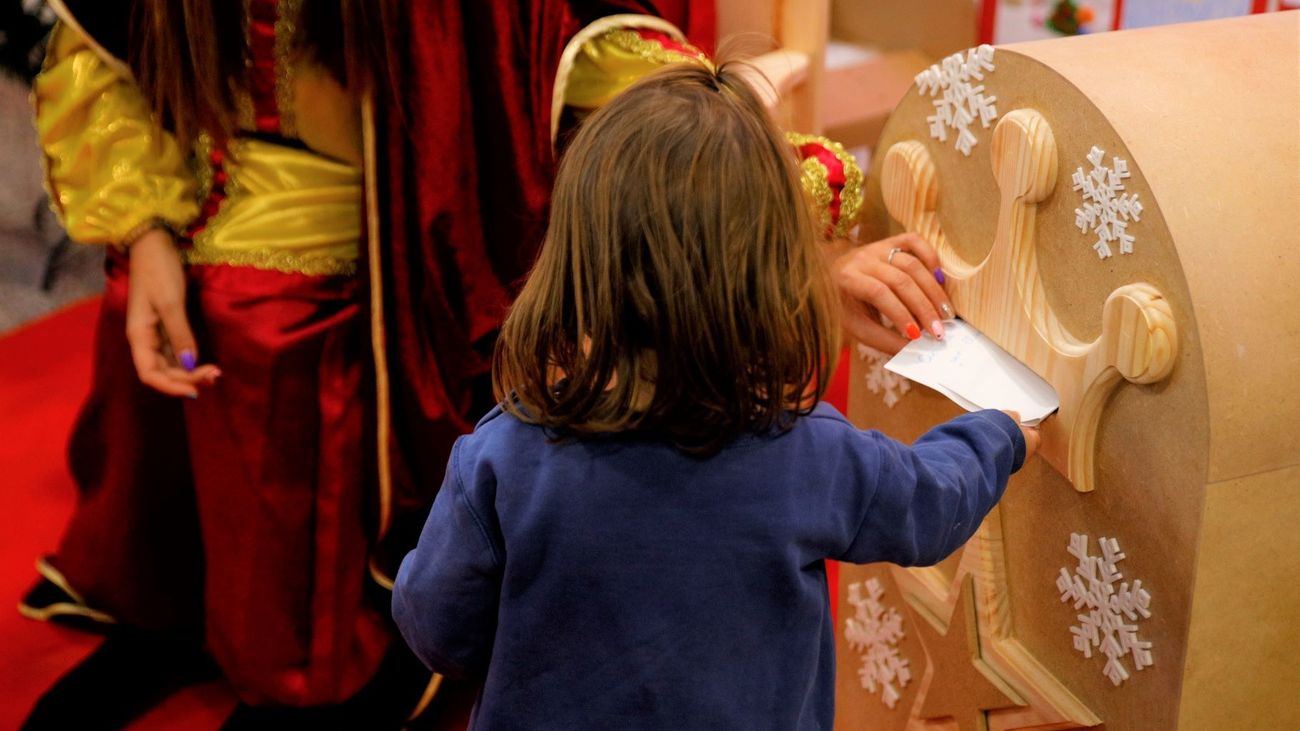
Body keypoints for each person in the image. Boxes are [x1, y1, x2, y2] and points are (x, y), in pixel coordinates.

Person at [20, 1, 717, 728]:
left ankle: (304, 657)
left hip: (371, 201)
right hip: (199, 158)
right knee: (150, 287)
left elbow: (567, 43)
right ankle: (166, 598)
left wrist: (766, 176)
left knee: (260, 308)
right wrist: (146, 231)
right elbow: (104, 51)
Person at [390, 62, 1041, 729]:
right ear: (774, 271)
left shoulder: (505, 455)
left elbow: (436, 627)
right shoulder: (809, 452)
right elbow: (930, 503)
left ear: (576, 261)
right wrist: (1000, 434)